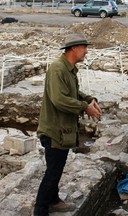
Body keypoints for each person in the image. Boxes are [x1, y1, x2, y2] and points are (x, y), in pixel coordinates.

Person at [33, 34, 102, 216]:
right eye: (84, 47)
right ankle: (40, 210)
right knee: (52, 173)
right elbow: (59, 99)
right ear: (73, 49)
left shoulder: (68, 69)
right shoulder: (58, 69)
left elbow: (72, 92)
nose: (86, 51)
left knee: (56, 168)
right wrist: (84, 107)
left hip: (62, 129)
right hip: (54, 130)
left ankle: (53, 200)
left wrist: (88, 99)